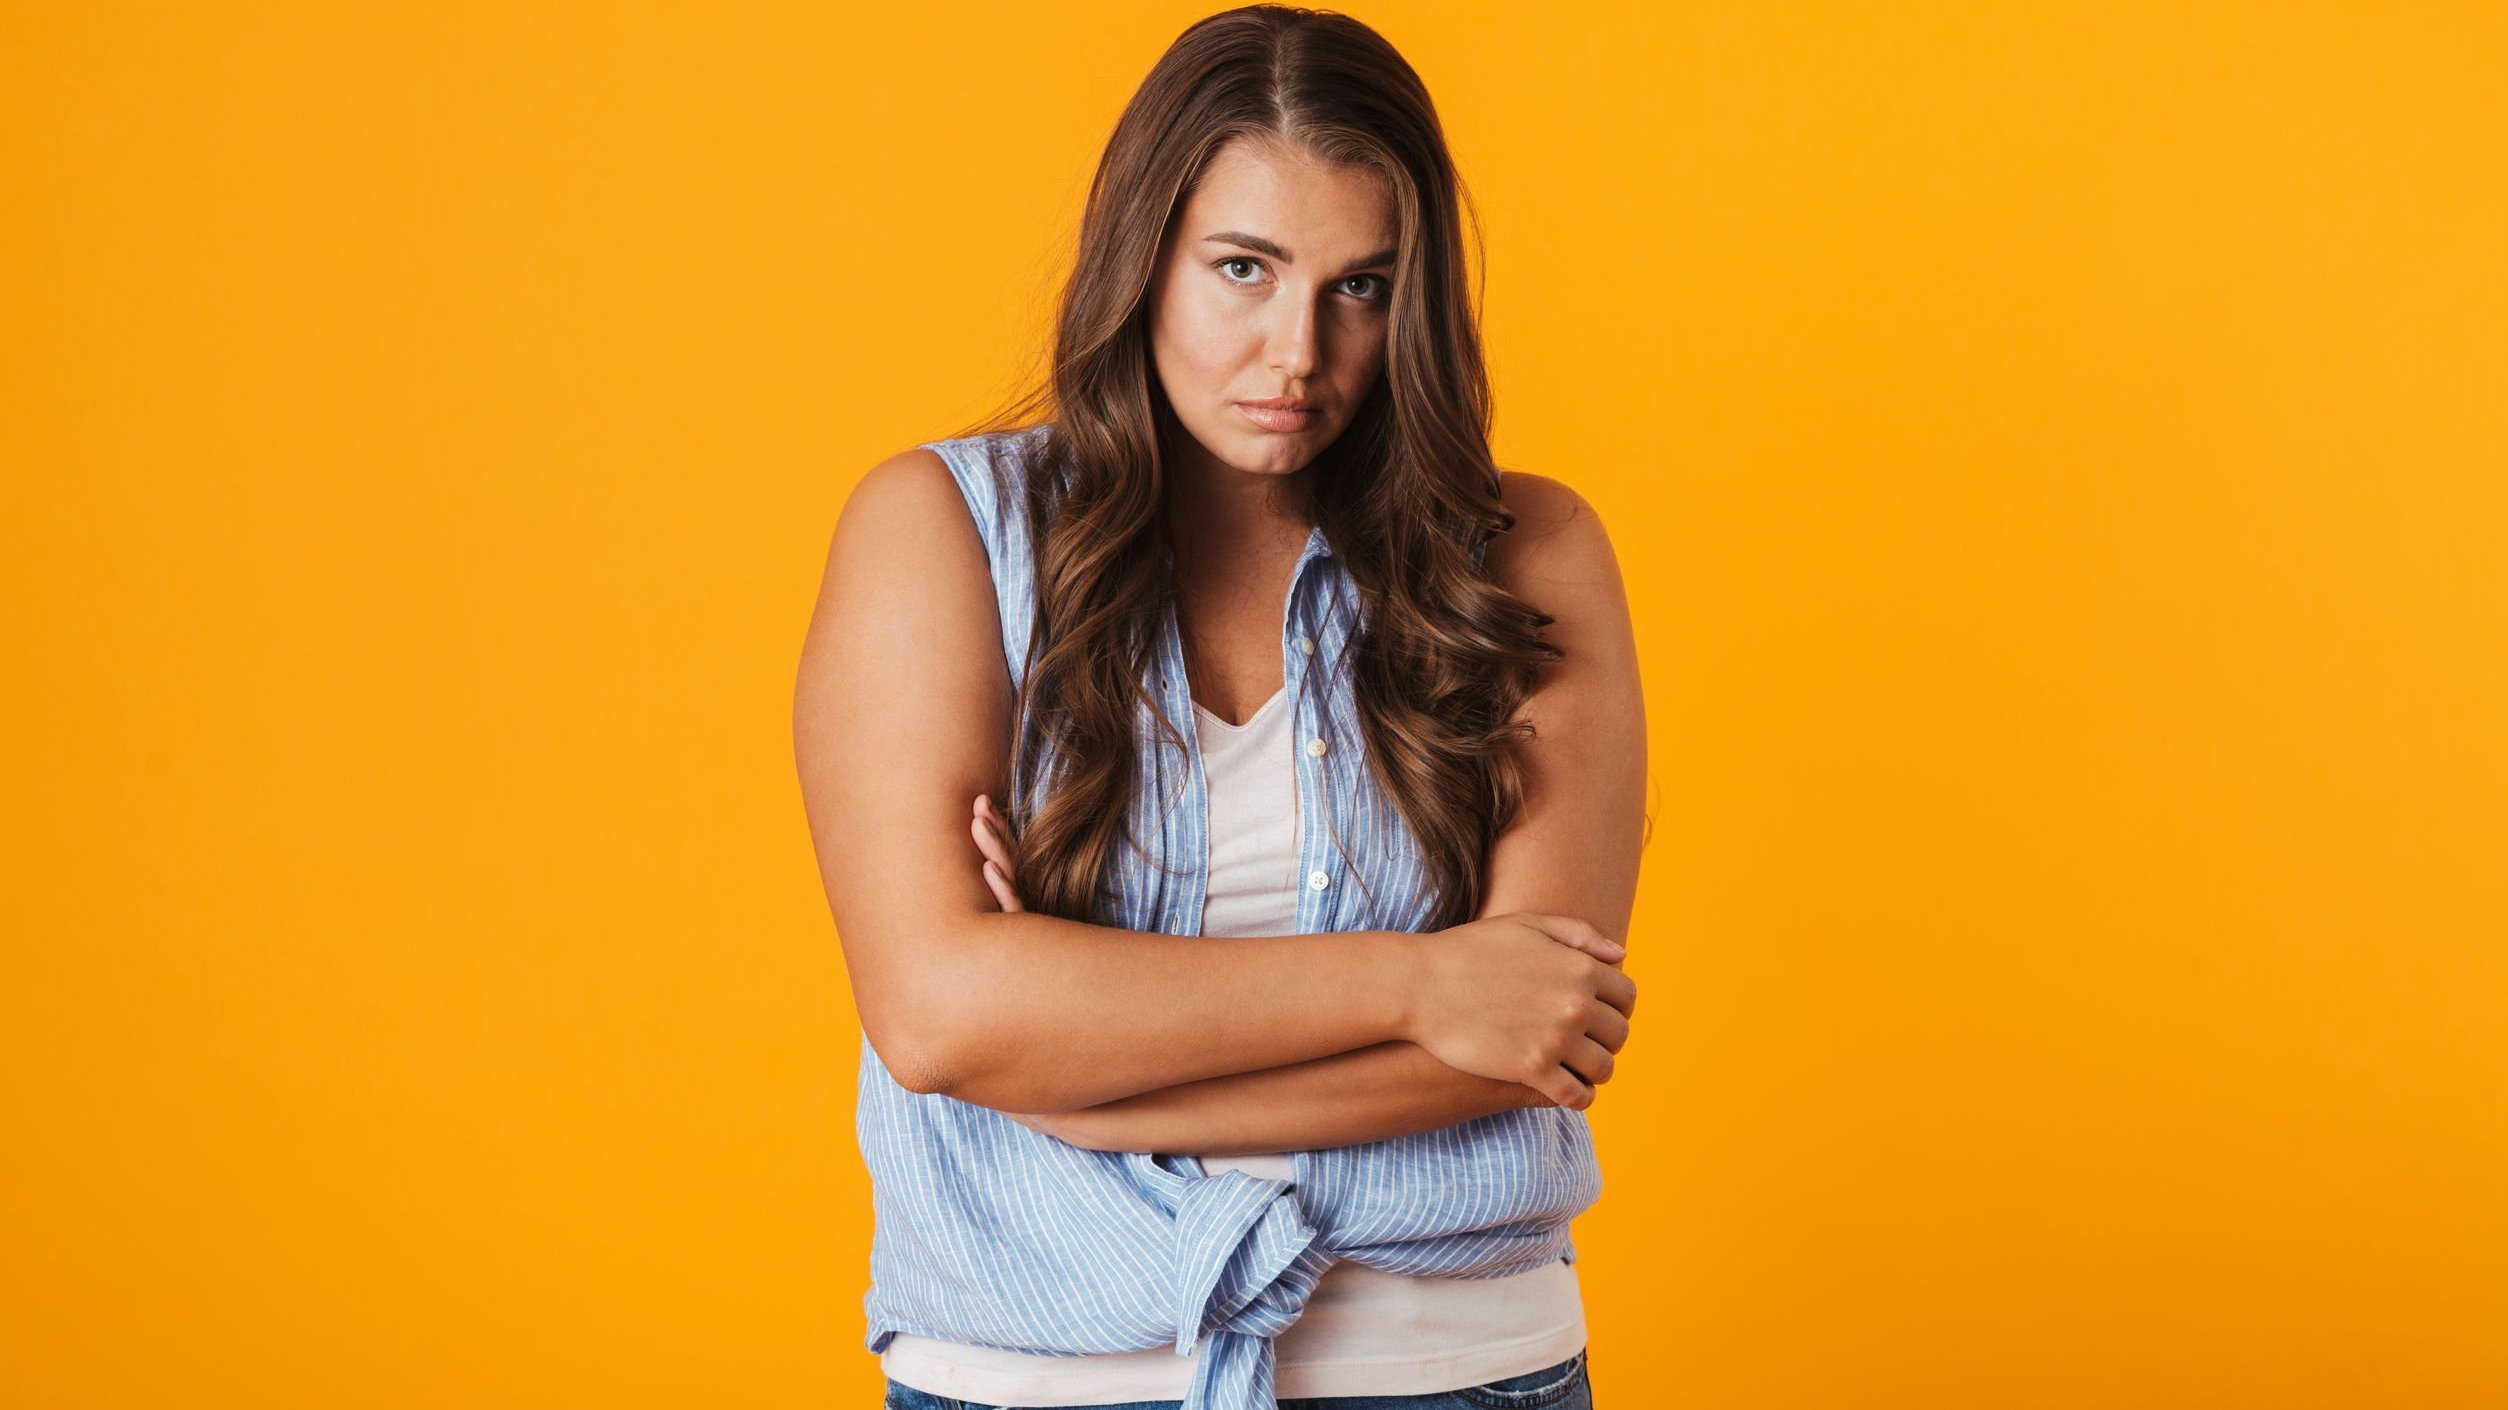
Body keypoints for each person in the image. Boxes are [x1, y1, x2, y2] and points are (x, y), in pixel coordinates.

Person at [792, 7, 1647, 1409]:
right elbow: (940, 1016)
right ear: (1147, 257)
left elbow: (1535, 1031)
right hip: (1038, 1371)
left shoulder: (1525, 558)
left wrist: (1063, 1074)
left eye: (1360, 286)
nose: (1296, 350)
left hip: (1458, 1369)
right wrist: (1420, 985)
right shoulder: (944, 536)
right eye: (1242, 269)